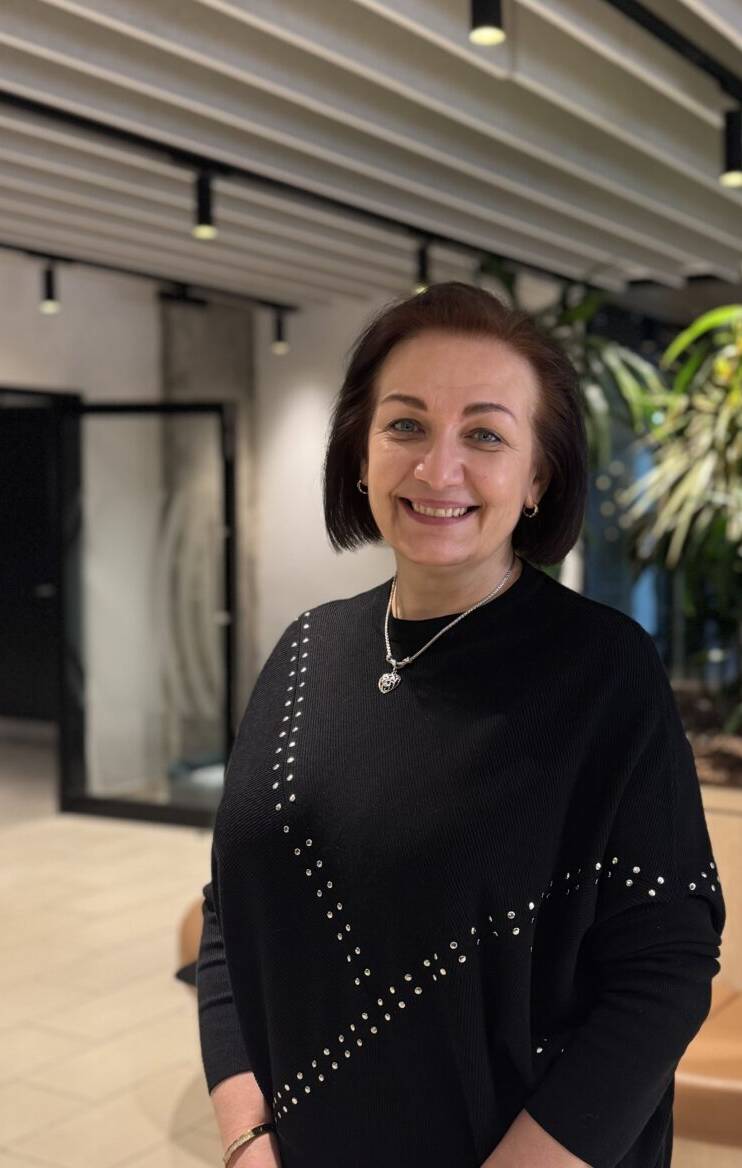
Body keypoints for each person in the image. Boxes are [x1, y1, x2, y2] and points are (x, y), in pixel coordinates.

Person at [196, 282, 725, 1168]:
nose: (438, 470)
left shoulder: (602, 668)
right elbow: (233, 910)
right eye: (406, 425)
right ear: (361, 454)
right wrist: (247, 1134)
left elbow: (663, 970)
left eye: (485, 435)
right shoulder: (306, 648)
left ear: (538, 477)